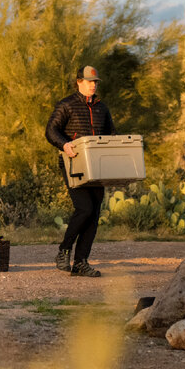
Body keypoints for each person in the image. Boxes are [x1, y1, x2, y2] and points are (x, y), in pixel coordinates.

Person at [45, 65, 116, 277]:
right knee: (84, 208)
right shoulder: (66, 105)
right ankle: (63, 251)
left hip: (97, 166)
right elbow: (51, 130)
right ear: (79, 82)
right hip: (73, 164)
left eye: (95, 82)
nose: (93, 85)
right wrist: (64, 144)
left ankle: (81, 262)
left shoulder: (102, 108)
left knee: (93, 214)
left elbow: (111, 133)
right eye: (89, 81)